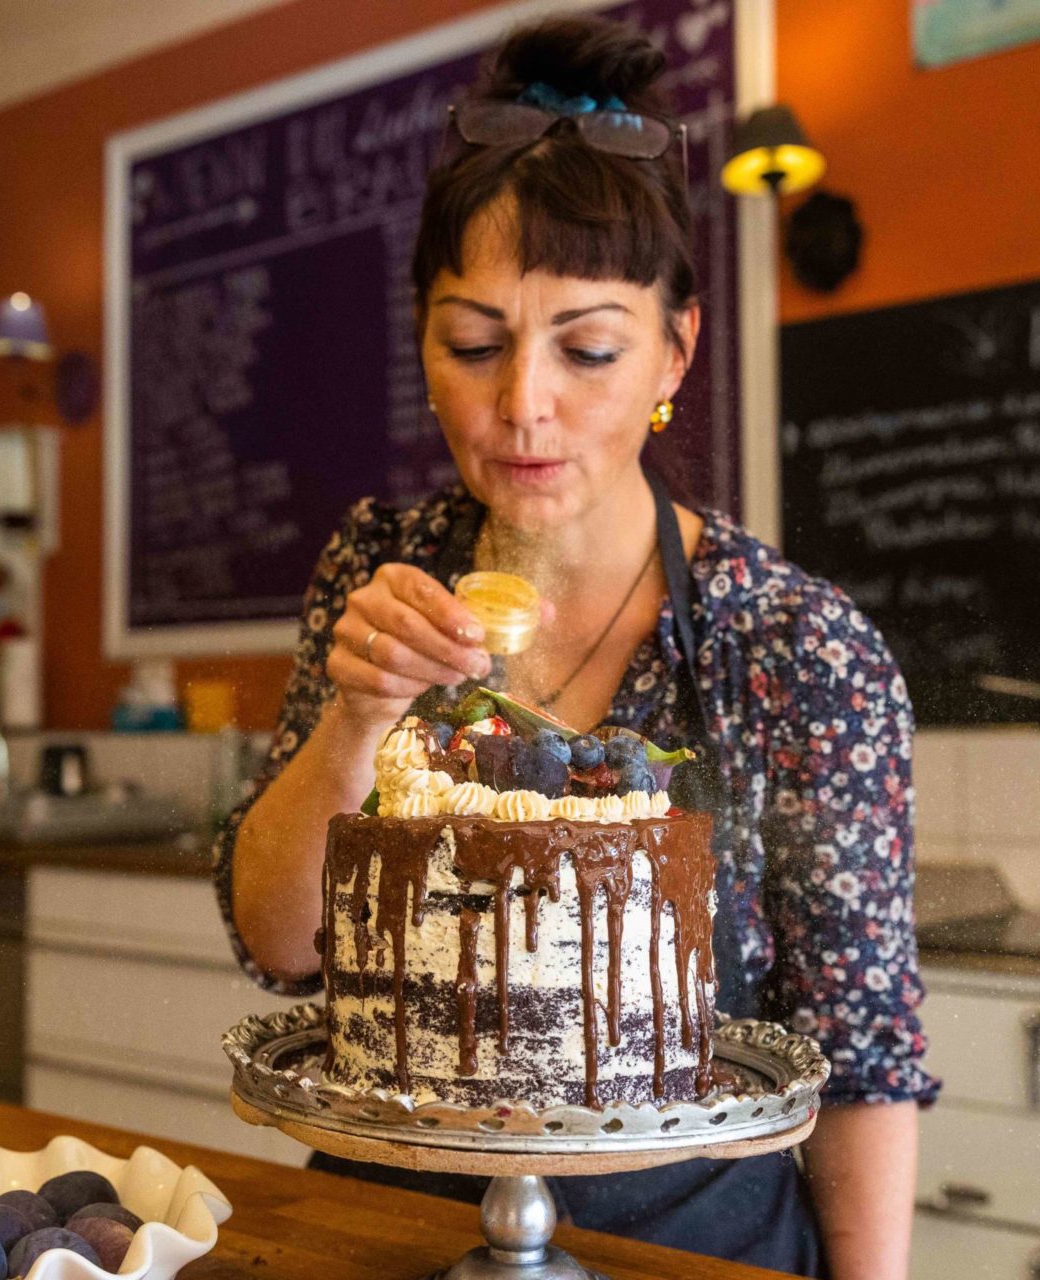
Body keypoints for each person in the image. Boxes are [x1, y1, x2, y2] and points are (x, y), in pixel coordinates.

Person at [214, 16, 935, 1278]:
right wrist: (355, 717)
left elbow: (862, 1058)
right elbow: (279, 946)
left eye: (588, 348)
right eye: (474, 345)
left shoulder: (800, 646)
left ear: (675, 349)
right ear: (423, 344)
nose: (523, 404)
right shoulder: (382, 569)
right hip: (387, 1228)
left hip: (698, 1247)